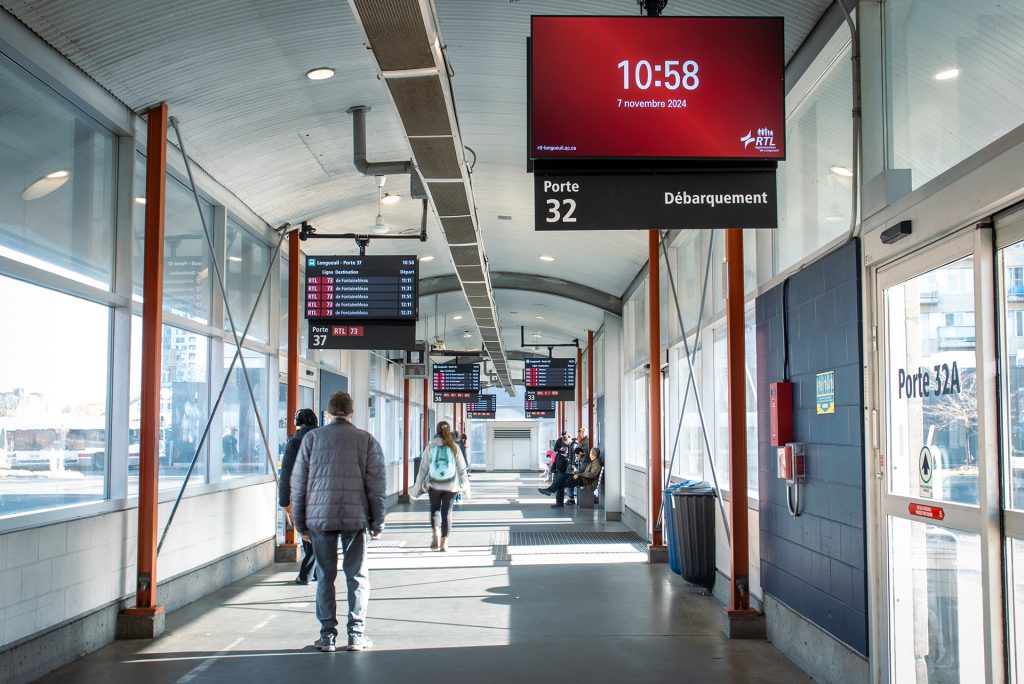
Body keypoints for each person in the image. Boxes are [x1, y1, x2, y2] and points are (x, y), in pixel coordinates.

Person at [291, 391, 386, 653]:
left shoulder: (312, 439)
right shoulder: (365, 440)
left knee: (325, 576)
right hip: (355, 519)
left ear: (329, 412)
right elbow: (376, 485)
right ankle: (356, 635)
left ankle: (327, 636)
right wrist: (377, 522)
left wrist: (300, 524)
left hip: (320, 519)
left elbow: (298, 484)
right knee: (357, 576)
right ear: (352, 412)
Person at [413, 420, 470, 551]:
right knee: (447, 512)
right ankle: (444, 542)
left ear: (436, 430)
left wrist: (417, 488)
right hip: (451, 485)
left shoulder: (430, 445)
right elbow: (462, 468)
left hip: (434, 484)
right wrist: (466, 486)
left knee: (435, 510)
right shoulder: (454, 445)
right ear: (448, 430)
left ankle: (436, 533)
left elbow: (423, 468)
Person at [279, 408, 318, 585]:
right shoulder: (323, 438)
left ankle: (305, 575)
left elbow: (286, 473)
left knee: (307, 534)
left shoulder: (294, 441)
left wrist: (284, 501)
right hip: (321, 493)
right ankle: (315, 573)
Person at [538, 433, 573, 507]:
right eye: (564, 442)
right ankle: (559, 502)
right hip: (560, 465)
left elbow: (571, 456)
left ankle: (550, 490)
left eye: (566, 442)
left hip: (565, 468)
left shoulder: (572, 445)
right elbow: (555, 449)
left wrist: (568, 460)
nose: (565, 444)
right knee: (559, 484)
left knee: (559, 482)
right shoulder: (560, 441)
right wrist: (560, 450)